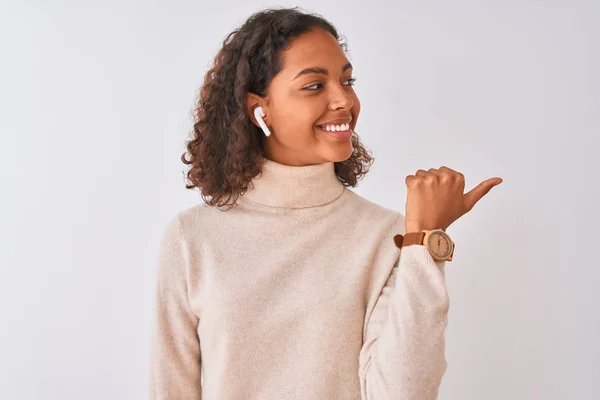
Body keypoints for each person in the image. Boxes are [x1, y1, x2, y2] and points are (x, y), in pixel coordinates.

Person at [148, 7, 502, 400]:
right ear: (258, 109)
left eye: (347, 81)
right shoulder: (192, 238)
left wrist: (425, 241)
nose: (344, 101)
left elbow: (404, 393)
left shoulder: (391, 236)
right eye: (315, 86)